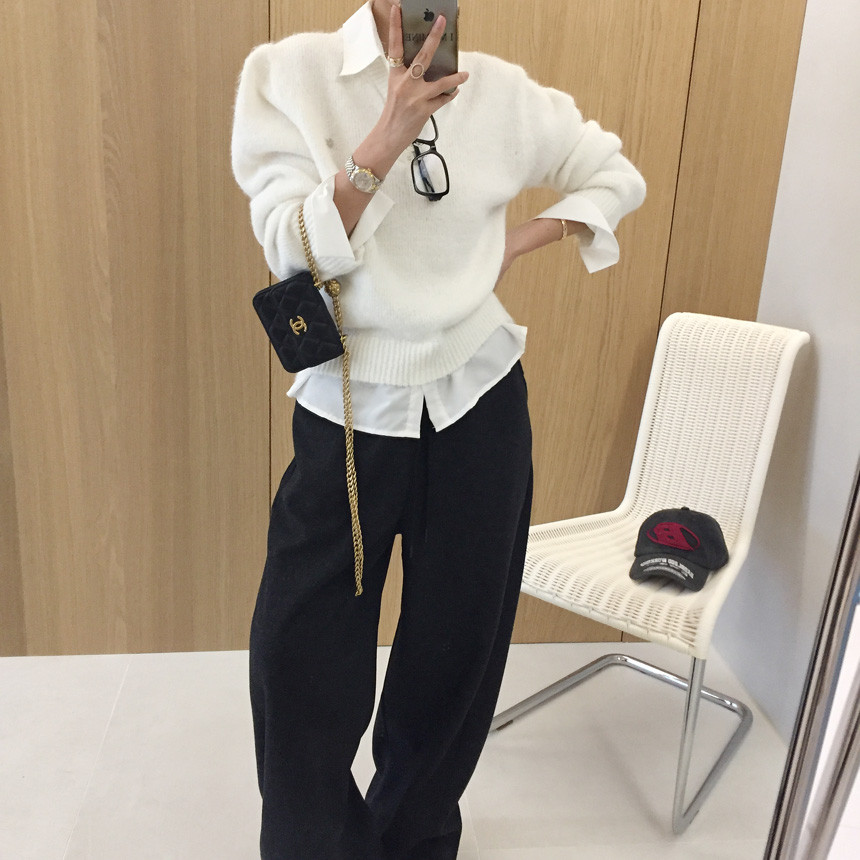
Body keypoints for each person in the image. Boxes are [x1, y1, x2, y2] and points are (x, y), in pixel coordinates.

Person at [231, 1, 645, 857]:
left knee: (458, 645)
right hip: (351, 409)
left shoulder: (503, 93)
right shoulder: (289, 75)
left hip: (480, 396)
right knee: (300, 653)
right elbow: (288, 250)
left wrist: (518, 242)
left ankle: (415, 836)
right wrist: (383, 141)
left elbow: (614, 174)